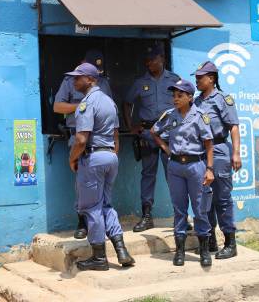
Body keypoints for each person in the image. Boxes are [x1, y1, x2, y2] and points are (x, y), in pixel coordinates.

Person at [66, 62, 134, 271]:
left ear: (91, 80)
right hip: (110, 157)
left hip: (93, 158)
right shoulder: (109, 101)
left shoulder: (87, 103)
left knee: (91, 208)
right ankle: (121, 249)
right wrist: (111, 154)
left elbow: (80, 140)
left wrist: (72, 159)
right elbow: (116, 135)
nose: (74, 80)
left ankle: (99, 258)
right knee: (106, 204)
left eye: (78, 77)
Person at [150, 79, 215, 267]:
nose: (175, 99)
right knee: (179, 209)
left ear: (189, 97)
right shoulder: (169, 116)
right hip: (175, 167)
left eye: (179, 96)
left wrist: (209, 169)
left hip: (196, 166)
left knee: (199, 209)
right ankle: (180, 251)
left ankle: (204, 250)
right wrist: (166, 148)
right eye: (173, 96)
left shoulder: (200, 116)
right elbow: (154, 131)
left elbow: (209, 144)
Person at [123, 43, 182, 232]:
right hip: (148, 135)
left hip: (168, 136)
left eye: (153, 60)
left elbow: (184, 102)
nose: (149, 64)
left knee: (173, 174)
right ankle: (147, 216)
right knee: (148, 175)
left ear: (162, 59)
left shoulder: (174, 80)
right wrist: (130, 126)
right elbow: (127, 103)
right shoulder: (141, 82)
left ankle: (179, 217)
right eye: (147, 61)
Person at [54, 49, 112, 239]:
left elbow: (112, 110)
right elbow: (58, 107)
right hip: (79, 138)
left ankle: (102, 228)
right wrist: (81, 106)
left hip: (100, 141)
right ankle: (82, 221)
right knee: (81, 185)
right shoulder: (71, 81)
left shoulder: (104, 84)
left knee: (101, 189)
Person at [194, 61, 241, 259]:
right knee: (205, 198)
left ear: (211, 78)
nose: (196, 81)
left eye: (200, 78)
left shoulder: (222, 99)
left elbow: (234, 127)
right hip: (201, 152)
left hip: (219, 150)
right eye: (195, 78)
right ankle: (211, 239)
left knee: (222, 199)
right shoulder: (195, 102)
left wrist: (236, 153)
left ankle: (230, 242)